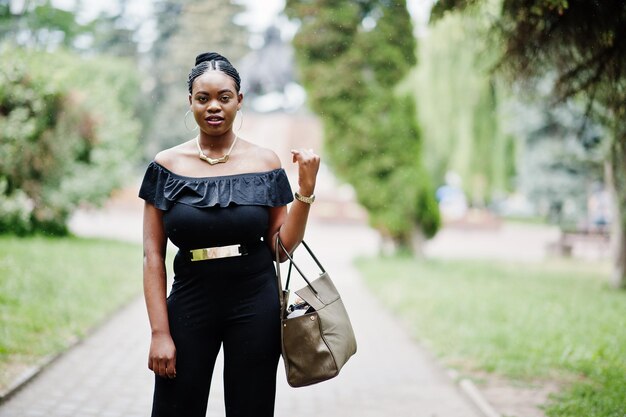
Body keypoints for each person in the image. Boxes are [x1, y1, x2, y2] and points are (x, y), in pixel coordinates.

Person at [139, 51, 320, 417]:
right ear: (190, 101)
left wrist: (305, 190)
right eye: (203, 98)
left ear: (240, 100)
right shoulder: (166, 165)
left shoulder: (265, 163)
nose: (214, 107)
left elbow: (280, 249)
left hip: (254, 299)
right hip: (190, 299)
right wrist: (160, 332)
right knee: (175, 408)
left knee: (250, 409)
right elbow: (152, 256)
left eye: (224, 97)